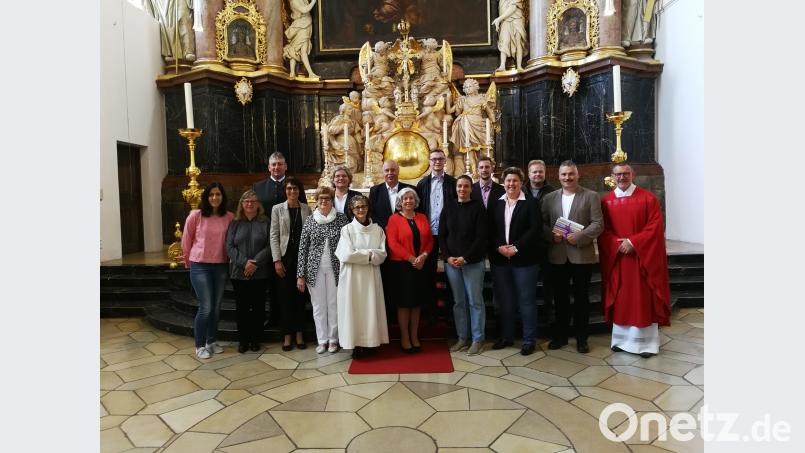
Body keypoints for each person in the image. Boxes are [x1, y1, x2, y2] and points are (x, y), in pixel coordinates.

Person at [599, 163, 671, 358]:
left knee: (641, 298)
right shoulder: (606, 201)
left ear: (633, 175)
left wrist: (634, 242)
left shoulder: (648, 198)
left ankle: (645, 345)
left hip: (641, 259)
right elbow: (603, 230)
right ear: (612, 177)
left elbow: (655, 227)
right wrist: (617, 244)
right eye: (618, 174)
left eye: (626, 173)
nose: (622, 177)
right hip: (618, 258)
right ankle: (620, 341)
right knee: (622, 297)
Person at [541, 161, 603, 354]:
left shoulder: (591, 196)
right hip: (558, 256)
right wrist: (551, 235)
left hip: (581, 255)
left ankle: (582, 338)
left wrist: (580, 236)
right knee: (560, 299)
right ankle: (560, 336)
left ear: (578, 175)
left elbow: (598, 224)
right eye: (564, 175)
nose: (567, 178)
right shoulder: (549, 198)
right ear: (558, 176)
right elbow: (541, 223)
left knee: (581, 299)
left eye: (571, 174)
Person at [488, 167, 544, 356]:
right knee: (506, 301)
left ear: (521, 183)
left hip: (525, 260)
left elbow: (535, 229)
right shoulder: (496, 203)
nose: (511, 184)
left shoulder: (531, 203)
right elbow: (491, 230)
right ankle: (507, 337)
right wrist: (499, 247)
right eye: (508, 181)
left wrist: (516, 247)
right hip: (501, 260)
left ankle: (529, 340)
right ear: (503, 183)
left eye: (515, 181)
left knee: (526, 301)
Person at [181, 182, 234, 359]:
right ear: (206, 197)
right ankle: (199, 345)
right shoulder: (196, 216)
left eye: (218, 194)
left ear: (222, 197)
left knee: (216, 307)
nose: (214, 198)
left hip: (220, 266)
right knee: (206, 307)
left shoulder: (229, 217)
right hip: (200, 266)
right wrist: (189, 263)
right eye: (211, 194)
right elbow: (186, 240)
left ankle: (211, 341)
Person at [254, 152, 306, 326]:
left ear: (285, 166)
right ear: (269, 167)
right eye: (273, 164)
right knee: (270, 280)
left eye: (280, 164)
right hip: (264, 241)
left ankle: (292, 319)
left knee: (287, 282)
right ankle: (272, 316)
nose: (276, 167)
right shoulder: (258, 187)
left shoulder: (295, 186)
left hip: (288, 244)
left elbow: (303, 210)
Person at [335, 195, 389, 358]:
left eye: (363, 206)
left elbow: (383, 254)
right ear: (351, 210)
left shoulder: (377, 230)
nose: (360, 210)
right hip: (352, 278)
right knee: (355, 309)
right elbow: (346, 255)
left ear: (368, 208)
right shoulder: (347, 230)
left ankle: (372, 343)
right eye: (357, 207)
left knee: (370, 307)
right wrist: (370, 254)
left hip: (371, 277)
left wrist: (363, 254)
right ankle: (356, 344)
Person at [297, 187, 349, 353]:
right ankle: (322, 340)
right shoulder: (311, 220)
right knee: (318, 306)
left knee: (333, 305)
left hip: (336, 269)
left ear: (331, 200)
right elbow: (302, 248)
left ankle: (334, 339)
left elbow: (348, 243)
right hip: (314, 270)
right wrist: (300, 275)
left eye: (327, 198)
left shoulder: (341, 219)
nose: (323, 202)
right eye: (320, 199)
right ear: (316, 201)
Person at [440, 175, 488, 355]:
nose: (462, 189)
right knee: (459, 302)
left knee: (475, 301)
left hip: (472, 262)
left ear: (471, 189)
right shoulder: (449, 206)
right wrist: (448, 257)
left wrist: (465, 257)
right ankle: (462, 337)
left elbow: (481, 238)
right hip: (452, 263)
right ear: (456, 188)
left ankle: (477, 339)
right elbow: (442, 235)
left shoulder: (478, 208)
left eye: (466, 186)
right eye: (459, 186)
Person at [386, 188, 433, 353]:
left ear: (416, 201)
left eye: (411, 198)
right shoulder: (393, 219)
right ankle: (405, 337)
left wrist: (424, 256)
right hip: (402, 267)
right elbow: (392, 244)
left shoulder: (422, 217)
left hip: (421, 265)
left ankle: (415, 336)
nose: (408, 201)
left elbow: (429, 240)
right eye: (405, 198)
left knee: (416, 303)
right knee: (405, 304)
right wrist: (413, 259)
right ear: (400, 201)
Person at [270, 178, 312, 351]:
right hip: (285, 259)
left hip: (302, 259)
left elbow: (309, 234)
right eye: (289, 188)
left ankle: (300, 334)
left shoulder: (306, 208)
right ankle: (287, 335)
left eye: (295, 188)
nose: (292, 191)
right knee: (285, 299)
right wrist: (277, 260)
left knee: (300, 298)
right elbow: (274, 235)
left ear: (299, 190)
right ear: (285, 191)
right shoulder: (277, 209)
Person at [225, 190, 269, 353]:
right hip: (239, 273)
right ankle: (243, 340)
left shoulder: (265, 222)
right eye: (246, 201)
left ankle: (256, 339)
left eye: (253, 201)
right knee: (242, 309)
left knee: (258, 308)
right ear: (241, 204)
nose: (249, 204)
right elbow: (229, 246)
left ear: (258, 204)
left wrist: (255, 263)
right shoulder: (235, 223)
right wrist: (244, 263)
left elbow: (271, 245)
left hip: (260, 273)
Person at [416, 149, 456, 319]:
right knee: (428, 273)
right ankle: (430, 311)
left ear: (445, 161)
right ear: (429, 161)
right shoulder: (422, 184)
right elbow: (418, 209)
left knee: (451, 273)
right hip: (429, 234)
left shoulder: (453, 182)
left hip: (449, 234)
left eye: (440, 159)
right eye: (434, 159)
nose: (437, 162)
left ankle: (451, 311)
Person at [525, 159, 557, 333]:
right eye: (534, 172)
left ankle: (549, 314)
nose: (537, 174)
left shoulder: (553, 192)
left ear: (545, 173)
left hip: (546, 243)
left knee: (548, 281)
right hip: (526, 245)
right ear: (529, 174)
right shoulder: (521, 190)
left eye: (540, 172)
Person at [368, 160, 415, 229]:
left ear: (398, 171)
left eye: (393, 170)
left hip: (406, 231)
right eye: (387, 170)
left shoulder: (410, 189)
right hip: (382, 233)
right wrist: (385, 227)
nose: (390, 173)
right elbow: (371, 213)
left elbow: (416, 211)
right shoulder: (375, 191)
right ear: (383, 172)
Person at [284, 0, 319, 78]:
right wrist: (313, 1)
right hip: (301, 26)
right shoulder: (294, 1)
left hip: (304, 25)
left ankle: (292, 73)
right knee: (302, 51)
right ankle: (310, 73)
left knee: (295, 49)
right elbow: (304, 10)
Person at [492, 0, 527, 72]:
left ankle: (519, 66)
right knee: (504, 41)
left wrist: (499, 19)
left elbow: (513, 7)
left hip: (517, 18)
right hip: (505, 20)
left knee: (518, 42)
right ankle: (502, 65)